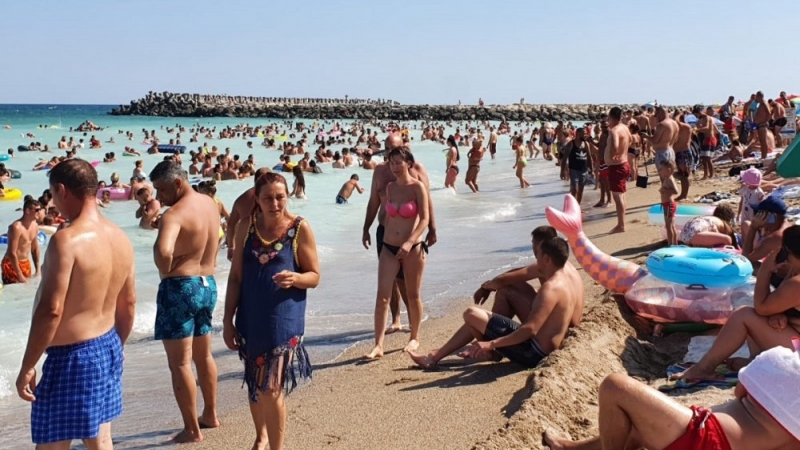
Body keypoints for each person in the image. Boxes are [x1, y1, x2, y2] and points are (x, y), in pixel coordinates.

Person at [15, 159, 136, 448]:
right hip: (107, 344)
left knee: (52, 443)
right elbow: (129, 303)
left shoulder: (67, 241)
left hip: (71, 357)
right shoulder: (120, 236)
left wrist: (28, 365)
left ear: (61, 189)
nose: (55, 203)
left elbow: (51, 310)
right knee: (100, 439)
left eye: (54, 195)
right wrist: (115, 347)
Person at [223, 172, 320, 450]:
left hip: (284, 318)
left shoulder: (299, 228)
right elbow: (235, 278)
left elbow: (314, 276)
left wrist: (296, 278)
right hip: (250, 315)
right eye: (268, 198)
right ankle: (261, 437)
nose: (275, 203)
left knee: (272, 387)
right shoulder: (246, 226)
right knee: (256, 380)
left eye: (280, 197)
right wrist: (228, 321)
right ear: (257, 198)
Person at [544, 345, 800, 450]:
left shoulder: (781, 360)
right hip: (730, 442)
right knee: (634, 427)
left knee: (615, 387)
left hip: (708, 437)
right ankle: (572, 448)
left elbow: (739, 391)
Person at [408, 235, 583, 369]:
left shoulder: (550, 289)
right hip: (542, 346)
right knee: (476, 320)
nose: (535, 259)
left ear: (546, 259)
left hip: (534, 353)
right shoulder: (564, 281)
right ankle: (434, 357)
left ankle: (483, 353)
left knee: (471, 313)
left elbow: (530, 329)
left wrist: (490, 343)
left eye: (538, 255)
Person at [149, 160, 221, 443]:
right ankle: (210, 414)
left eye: (161, 189)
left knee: (180, 364)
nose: (158, 197)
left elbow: (163, 254)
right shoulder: (210, 204)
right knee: (204, 355)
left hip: (180, 287)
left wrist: (166, 261)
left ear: (178, 183)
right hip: (208, 284)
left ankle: (192, 430)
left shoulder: (173, 215)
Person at [673, 225, 800, 382]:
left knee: (743, 315)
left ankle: (703, 369)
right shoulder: (795, 275)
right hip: (793, 337)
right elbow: (778, 302)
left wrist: (764, 271)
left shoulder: (797, 283)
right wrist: (777, 313)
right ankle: (756, 362)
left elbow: (761, 307)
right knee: (758, 314)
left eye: (784, 252)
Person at [362, 134, 437, 334]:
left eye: (393, 148)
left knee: (405, 281)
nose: (389, 153)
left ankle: (413, 321)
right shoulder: (380, 171)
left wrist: (433, 229)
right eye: (386, 149)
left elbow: (427, 203)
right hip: (384, 232)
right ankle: (395, 318)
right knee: (390, 281)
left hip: (409, 236)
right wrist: (366, 228)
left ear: (404, 147)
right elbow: (373, 201)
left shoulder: (417, 170)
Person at [225, 167, 271, 261]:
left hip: (246, 246)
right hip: (268, 244)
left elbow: (231, 225)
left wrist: (231, 247)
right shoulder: (272, 199)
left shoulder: (241, 199)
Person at [742, 196, 790, 267]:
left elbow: (745, 260)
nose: (755, 217)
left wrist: (752, 228)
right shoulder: (787, 225)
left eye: (758, 214)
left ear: (772, 217)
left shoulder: (776, 237)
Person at [2, 199, 41, 284]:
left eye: (40, 210)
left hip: (25, 264)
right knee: (12, 290)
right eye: (37, 210)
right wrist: (19, 274)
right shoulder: (16, 227)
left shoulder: (35, 226)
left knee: (25, 290)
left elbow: (35, 249)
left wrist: (38, 269)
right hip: (11, 265)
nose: (39, 212)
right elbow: (11, 253)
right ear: (27, 211)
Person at [606, 107, 632, 233]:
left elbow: (615, 144)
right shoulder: (625, 128)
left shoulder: (614, 130)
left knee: (618, 197)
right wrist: (623, 151)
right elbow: (630, 140)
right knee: (622, 195)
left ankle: (621, 225)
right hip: (624, 164)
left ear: (611, 117)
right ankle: (622, 222)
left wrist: (614, 154)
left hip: (617, 166)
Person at [564, 129, 591, 204]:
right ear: (578, 134)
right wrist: (562, 171)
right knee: (574, 189)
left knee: (581, 189)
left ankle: (578, 205)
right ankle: (573, 205)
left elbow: (589, 157)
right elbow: (564, 158)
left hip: (584, 170)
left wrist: (591, 169)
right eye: (584, 133)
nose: (585, 135)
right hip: (573, 169)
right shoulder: (571, 144)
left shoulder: (586, 144)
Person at [737, 168, 766, 238]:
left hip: (753, 214)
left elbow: (762, 205)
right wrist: (738, 213)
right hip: (745, 212)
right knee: (743, 226)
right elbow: (742, 201)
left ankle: (754, 239)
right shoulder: (745, 189)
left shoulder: (759, 192)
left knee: (753, 228)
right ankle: (744, 241)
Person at [650, 106, 679, 177]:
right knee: (670, 175)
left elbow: (654, 140)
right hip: (671, 151)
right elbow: (676, 139)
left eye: (656, 115)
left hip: (662, 153)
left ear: (660, 113)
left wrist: (646, 136)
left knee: (664, 176)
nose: (656, 117)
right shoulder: (674, 123)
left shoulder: (661, 124)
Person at [659, 160, 679, 246]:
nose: (660, 171)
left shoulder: (670, 179)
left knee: (669, 226)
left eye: (661, 169)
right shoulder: (667, 179)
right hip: (666, 204)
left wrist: (665, 190)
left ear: (668, 170)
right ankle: (674, 243)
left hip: (669, 205)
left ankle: (670, 244)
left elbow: (676, 191)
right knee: (671, 225)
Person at [755, 91, 773, 160]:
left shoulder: (763, 102)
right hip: (760, 124)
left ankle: (764, 156)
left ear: (758, 96)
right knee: (761, 141)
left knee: (763, 141)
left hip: (762, 124)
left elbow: (769, 112)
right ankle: (763, 155)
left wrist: (765, 121)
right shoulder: (760, 103)